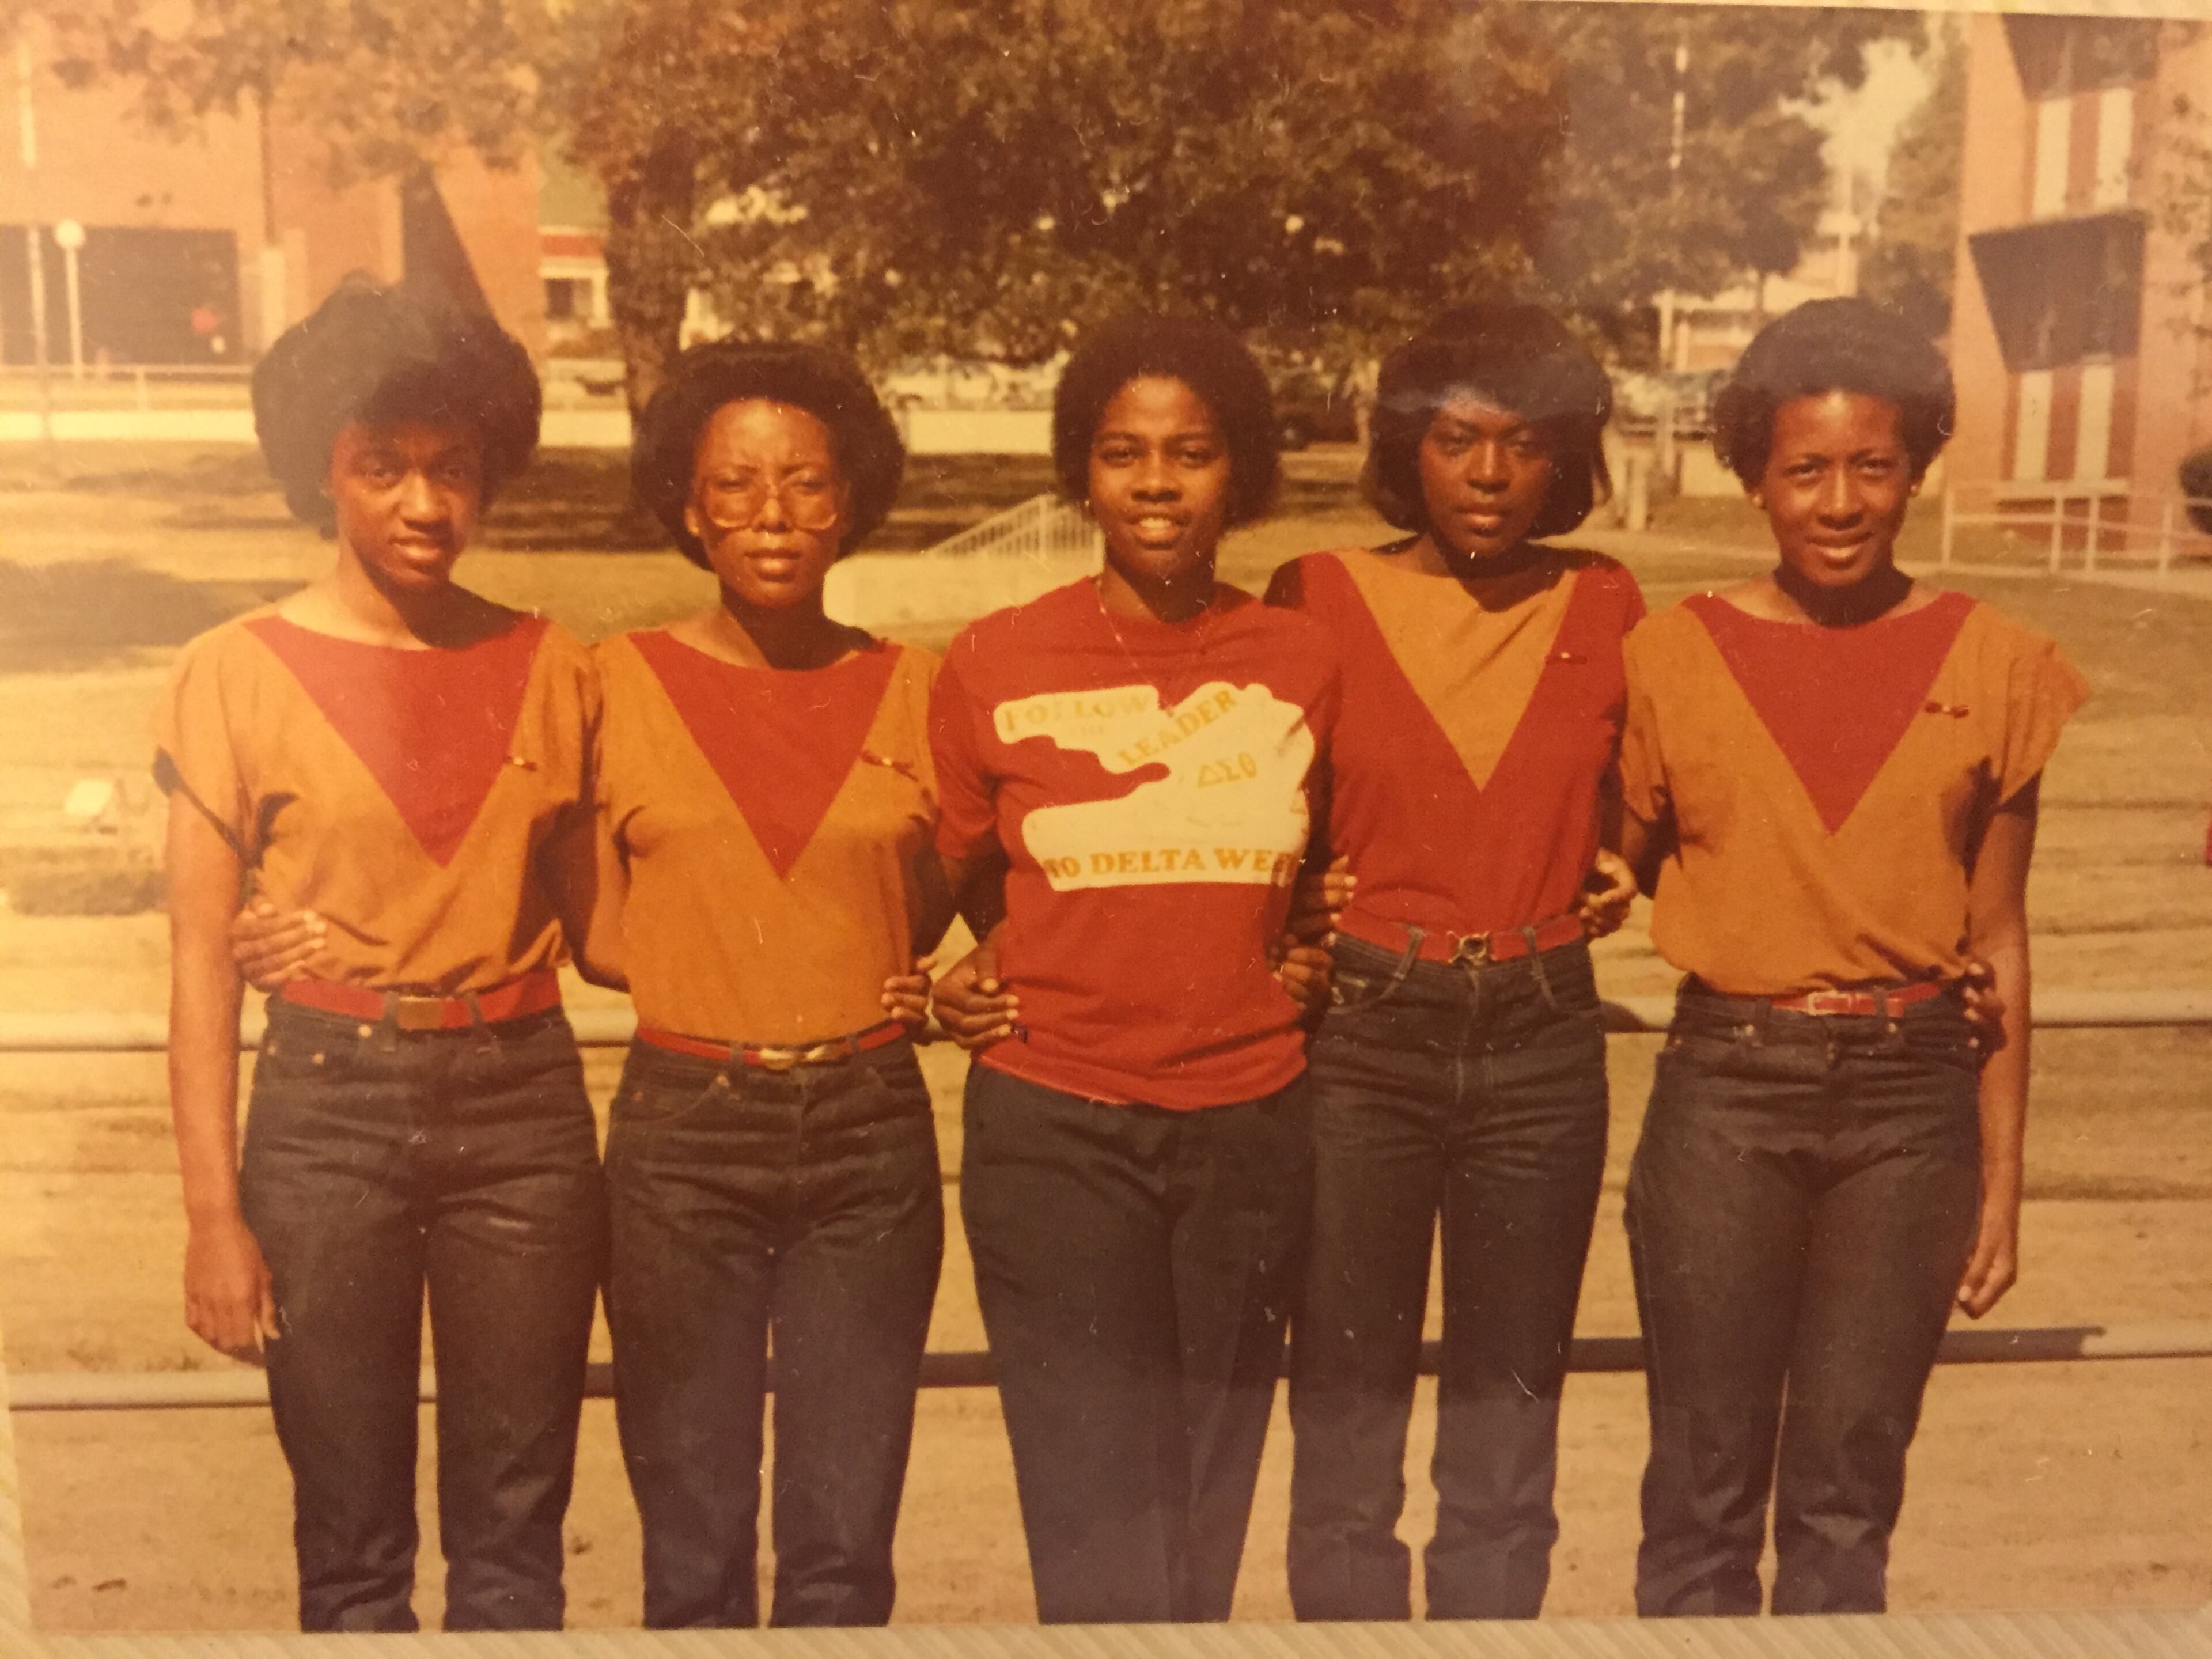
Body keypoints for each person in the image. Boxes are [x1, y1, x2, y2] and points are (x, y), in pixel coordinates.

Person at [1614, 297, 2088, 1616]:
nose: (1839, 503)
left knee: (1845, 1497)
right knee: (1702, 1491)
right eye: (1805, 469)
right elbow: (1609, 863)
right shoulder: (1670, 656)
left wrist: (2001, 1183)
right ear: (1753, 476)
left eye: (1872, 466)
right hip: (1727, 1091)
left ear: (1917, 467)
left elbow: (2000, 937)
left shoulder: (1999, 662)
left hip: (1908, 1110)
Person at [156, 278, 605, 1632]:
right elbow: (199, 968)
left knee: (516, 1543)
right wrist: (215, 1216)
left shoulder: (555, 663)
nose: (424, 503)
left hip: (524, 1111)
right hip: (326, 1114)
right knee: (351, 1547)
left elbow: (617, 931)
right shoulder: (232, 670)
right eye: (384, 466)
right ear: (324, 468)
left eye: (453, 469)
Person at [927, 312, 1338, 1623]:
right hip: (1058, 1124)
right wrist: (977, 969)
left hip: (1248, 1120)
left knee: (1209, 1505)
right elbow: (952, 878)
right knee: (1095, 1507)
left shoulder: (1302, 659)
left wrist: (1304, 949)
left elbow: (1329, 866)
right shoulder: (994, 657)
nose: (1157, 484)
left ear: (1241, 471)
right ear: (1081, 473)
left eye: (1192, 453)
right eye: (1123, 453)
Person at [1264, 304, 1643, 1621]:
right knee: (1346, 1412)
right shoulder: (1316, 595)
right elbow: (1252, 800)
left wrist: (1629, 855)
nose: (1490, 474)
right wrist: (1298, 892)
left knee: (1509, 1422)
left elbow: (1655, 785)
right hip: (1365, 1036)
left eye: (1524, 445)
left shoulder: (1606, 602)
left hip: (1542, 1036)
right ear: (1405, 448)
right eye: (1457, 440)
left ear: (1565, 460)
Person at [597, 340, 947, 1628]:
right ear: (689, 509)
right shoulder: (614, 681)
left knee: (843, 1550)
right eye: (735, 485)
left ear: (849, 502)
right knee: (692, 1546)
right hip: (683, 1136)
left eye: (805, 482)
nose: (772, 514)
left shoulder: (918, 688)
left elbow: (966, 895)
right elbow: (590, 924)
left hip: (868, 1134)